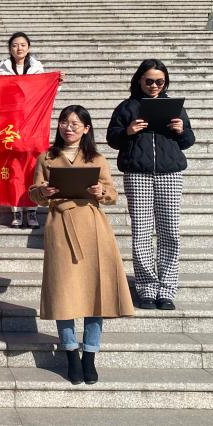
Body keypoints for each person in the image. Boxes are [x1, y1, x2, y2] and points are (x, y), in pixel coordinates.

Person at [29, 105, 134, 385]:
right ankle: (70, 353)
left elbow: (112, 194)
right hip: (60, 226)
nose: (69, 127)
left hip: (93, 227)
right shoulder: (47, 158)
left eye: (76, 123)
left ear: (86, 129)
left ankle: (90, 354)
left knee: (96, 292)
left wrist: (102, 191)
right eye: (65, 122)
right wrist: (44, 191)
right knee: (63, 294)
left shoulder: (96, 158)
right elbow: (33, 193)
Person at [106, 59, 195, 310]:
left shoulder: (174, 107)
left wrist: (181, 130)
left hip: (170, 173)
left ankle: (166, 289)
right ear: (139, 80)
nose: (154, 86)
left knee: (170, 232)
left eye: (160, 81)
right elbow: (112, 138)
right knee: (142, 232)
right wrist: (128, 131)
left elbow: (189, 140)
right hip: (137, 173)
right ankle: (146, 288)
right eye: (149, 81)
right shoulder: (127, 107)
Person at [0, 31, 66, 229]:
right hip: (11, 123)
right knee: (14, 168)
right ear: (10, 49)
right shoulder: (2, 68)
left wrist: (56, 82)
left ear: (28, 48)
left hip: (34, 123)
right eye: (14, 45)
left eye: (22, 45)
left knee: (33, 167)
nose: (19, 48)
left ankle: (32, 209)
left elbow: (45, 90)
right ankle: (16, 210)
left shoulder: (37, 67)